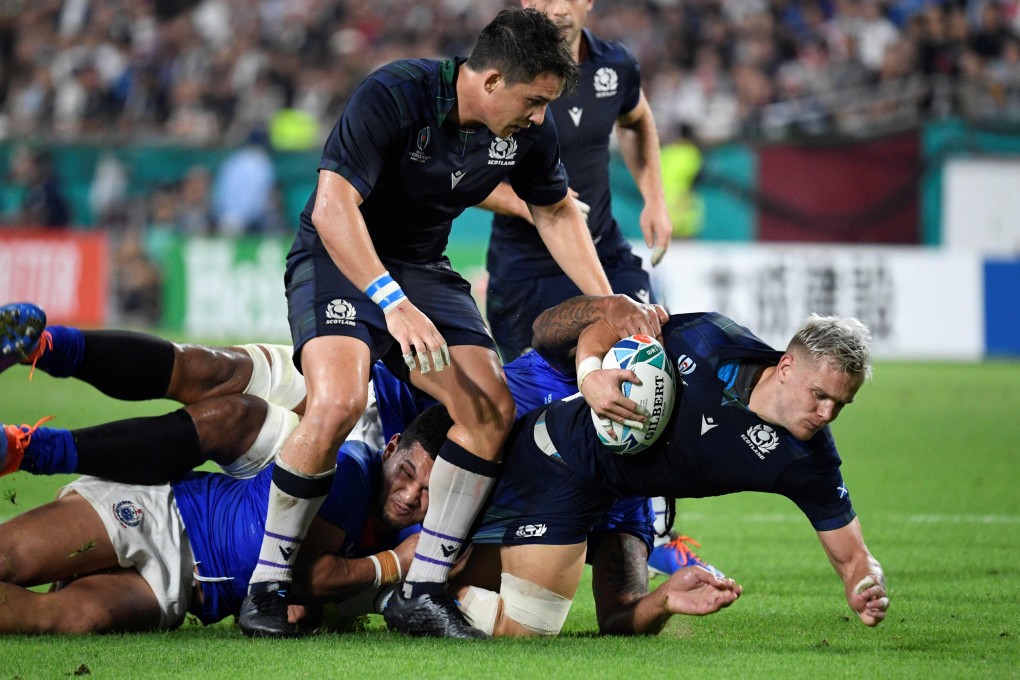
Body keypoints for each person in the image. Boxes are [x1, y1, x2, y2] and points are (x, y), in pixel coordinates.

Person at [1, 302, 734, 637]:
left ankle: (40, 451)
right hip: (371, 410)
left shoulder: (619, 493)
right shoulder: (560, 377)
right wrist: (601, 342)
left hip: (377, 504)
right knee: (216, 389)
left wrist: (669, 576)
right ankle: (42, 374)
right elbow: (558, 324)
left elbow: (616, 592)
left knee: (77, 615)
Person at [258, 7, 646, 640]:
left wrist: (611, 304)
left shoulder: (523, 133)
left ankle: (421, 590)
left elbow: (554, 214)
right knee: (337, 401)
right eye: (534, 100)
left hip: (419, 268)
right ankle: (267, 585)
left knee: (490, 407)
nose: (540, 117)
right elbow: (332, 207)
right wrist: (391, 300)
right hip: (338, 257)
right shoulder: (395, 93)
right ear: (490, 82)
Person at [444, 295, 889, 636]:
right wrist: (591, 375)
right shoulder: (709, 341)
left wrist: (864, 584)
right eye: (821, 395)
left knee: (626, 620)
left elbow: (854, 557)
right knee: (522, 625)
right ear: (787, 367)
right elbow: (604, 327)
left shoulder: (807, 460)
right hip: (560, 460)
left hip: (624, 495)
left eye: (840, 404)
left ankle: (418, 585)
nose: (827, 413)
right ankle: (406, 591)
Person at [0, 405, 448, 635]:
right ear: (390, 449)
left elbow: (306, 594)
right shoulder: (349, 468)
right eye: (407, 474)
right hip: (166, 512)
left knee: (66, 619)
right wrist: (395, 563)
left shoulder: (394, 528)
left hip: (182, 590)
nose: (410, 496)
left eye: (430, 492)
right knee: (10, 559)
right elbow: (309, 576)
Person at [482, 0, 673, 362]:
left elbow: (636, 120)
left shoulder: (615, 66)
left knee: (650, 359)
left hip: (605, 254)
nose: (560, 10)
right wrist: (530, 203)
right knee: (542, 400)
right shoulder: (500, 71)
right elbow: (464, 170)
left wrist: (655, 199)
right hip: (527, 270)